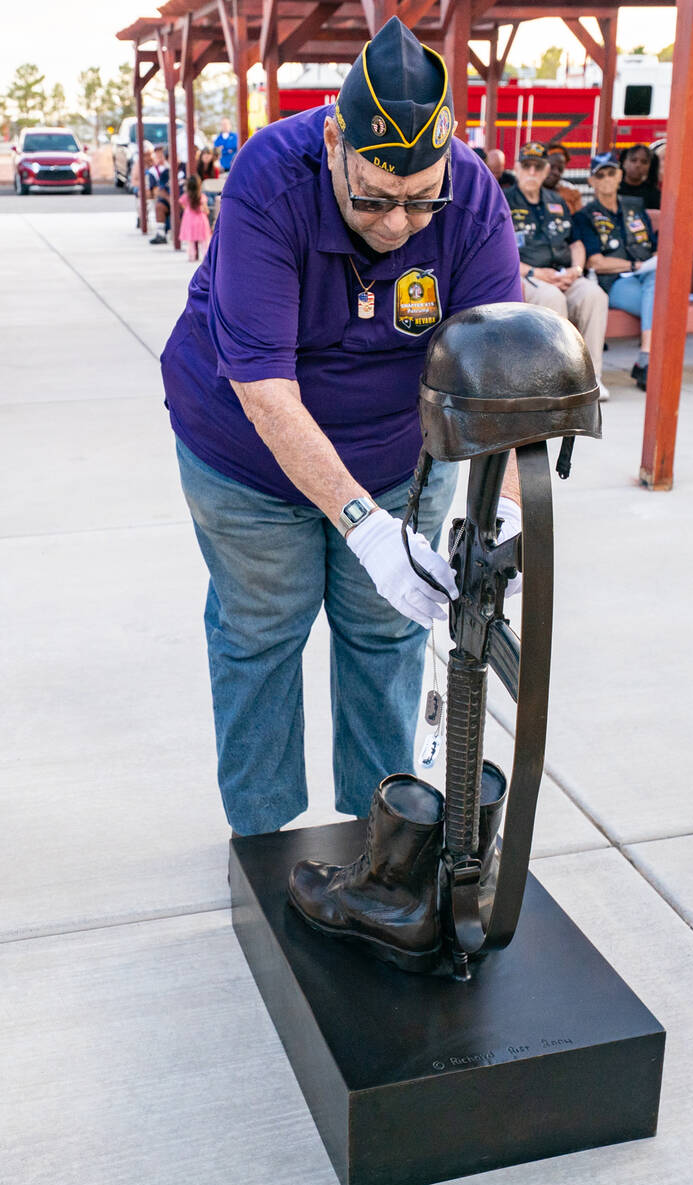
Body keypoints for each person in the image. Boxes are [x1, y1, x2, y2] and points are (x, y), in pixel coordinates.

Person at [160, 17, 523, 837]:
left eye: (419, 198)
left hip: (398, 453)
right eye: (375, 198)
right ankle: (264, 843)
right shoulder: (268, 179)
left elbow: (501, 367)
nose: (398, 223)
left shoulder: (469, 198)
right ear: (333, 140)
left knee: (385, 639)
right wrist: (361, 524)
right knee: (260, 635)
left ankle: (381, 839)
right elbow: (264, 390)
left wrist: (504, 506)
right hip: (247, 456)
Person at [503, 140, 609, 399]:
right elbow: (498, 251)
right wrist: (534, 272)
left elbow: (575, 242)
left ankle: (592, 378)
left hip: (563, 272)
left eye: (537, 167)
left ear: (545, 170)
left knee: (595, 295)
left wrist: (576, 268)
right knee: (552, 298)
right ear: (516, 168)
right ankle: (555, 380)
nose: (531, 173)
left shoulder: (557, 201)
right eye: (526, 166)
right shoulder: (504, 201)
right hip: (525, 275)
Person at [573, 151, 657, 390]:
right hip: (615, 282)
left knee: (657, 282)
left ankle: (646, 358)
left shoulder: (635, 207)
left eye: (611, 173)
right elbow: (596, 262)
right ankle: (647, 360)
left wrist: (650, 263)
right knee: (660, 296)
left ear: (620, 175)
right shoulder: (585, 216)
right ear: (592, 182)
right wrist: (635, 266)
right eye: (600, 175)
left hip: (647, 275)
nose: (607, 179)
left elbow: (652, 247)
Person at [178, 175, 212, 261]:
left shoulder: (186, 196)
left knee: (191, 242)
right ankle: (206, 258)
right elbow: (206, 210)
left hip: (189, 221)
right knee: (204, 242)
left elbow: (182, 204)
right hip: (201, 221)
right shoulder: (202, 197)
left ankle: (191, 256)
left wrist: (187, 209)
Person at [619, 143, 661, 209]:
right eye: (633, 160)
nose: (638, 165)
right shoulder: (613, 189)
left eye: (644, 162)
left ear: (650, 166)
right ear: (624, 163)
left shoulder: (654, 195)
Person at [544, 143, 582, 214]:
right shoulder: (529, 190)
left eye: (560, 169)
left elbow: (579, 220)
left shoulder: (571, 192)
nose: (556, 172)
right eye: (551, 167)